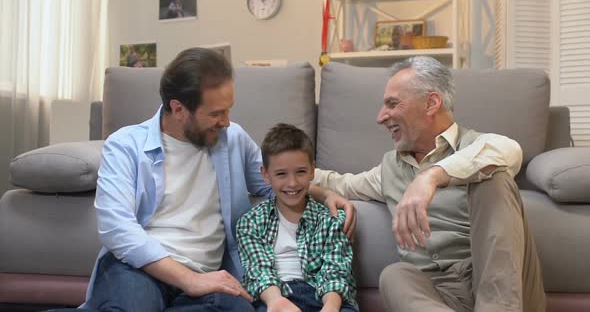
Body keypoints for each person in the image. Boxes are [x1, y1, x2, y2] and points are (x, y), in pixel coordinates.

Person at [49, 48, 354, 312]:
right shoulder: (126, 145)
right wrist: (189, 280)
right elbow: (117, 229)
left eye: (229, 110)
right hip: (139, 270)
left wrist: (323, 194)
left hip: (209, 275)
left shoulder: (231, 138)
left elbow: (271, 181)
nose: (226, 121)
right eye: (216, 113)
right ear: (178, 109)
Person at [313, 56, 546, 312]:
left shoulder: (476, 146)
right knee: (394, 276)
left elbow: (510, 150)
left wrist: (431, 177)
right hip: (438, 294)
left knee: (494, 178)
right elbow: (338, 183)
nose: (381, 117)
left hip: (502, 286)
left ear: (431, 103)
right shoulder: (390, 168)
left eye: (392, 104)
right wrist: (312, 188)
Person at [237, 123, 358, 312]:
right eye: (281, 174)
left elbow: (336, 270)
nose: (292, 183)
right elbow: (259, 271)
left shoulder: (331, 219)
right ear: (266, 175)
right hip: (275, 294)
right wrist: (276, 301)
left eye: (300, 172)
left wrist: (331, 307)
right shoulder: (250, 223)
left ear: (312, 170)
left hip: (324, 295)